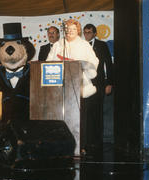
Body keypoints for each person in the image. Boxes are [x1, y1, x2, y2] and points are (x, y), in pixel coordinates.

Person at [46, 19, 99, 158]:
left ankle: (81, 146)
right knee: (61, 118)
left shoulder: (84, 45)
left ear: (78, 31)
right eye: (68, 29)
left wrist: (83, 66)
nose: (70, 32)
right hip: (60, 88)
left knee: (80, 119)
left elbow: (93, 62)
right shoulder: (58, 45)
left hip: (79, 87)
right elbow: (48, 62)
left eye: (73, 30)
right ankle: (61, 146)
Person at [83, 23, 114, 157]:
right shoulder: (81, 46)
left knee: (98, 112)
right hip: (84, 84)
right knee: (86, 113)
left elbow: (108, 64)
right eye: (85, 32)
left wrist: (110, 83)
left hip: (100, 83)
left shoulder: (102, 45)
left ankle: (98, 141)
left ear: (95, 33)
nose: (87, 35)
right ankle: (87, 141)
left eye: (89, 32)